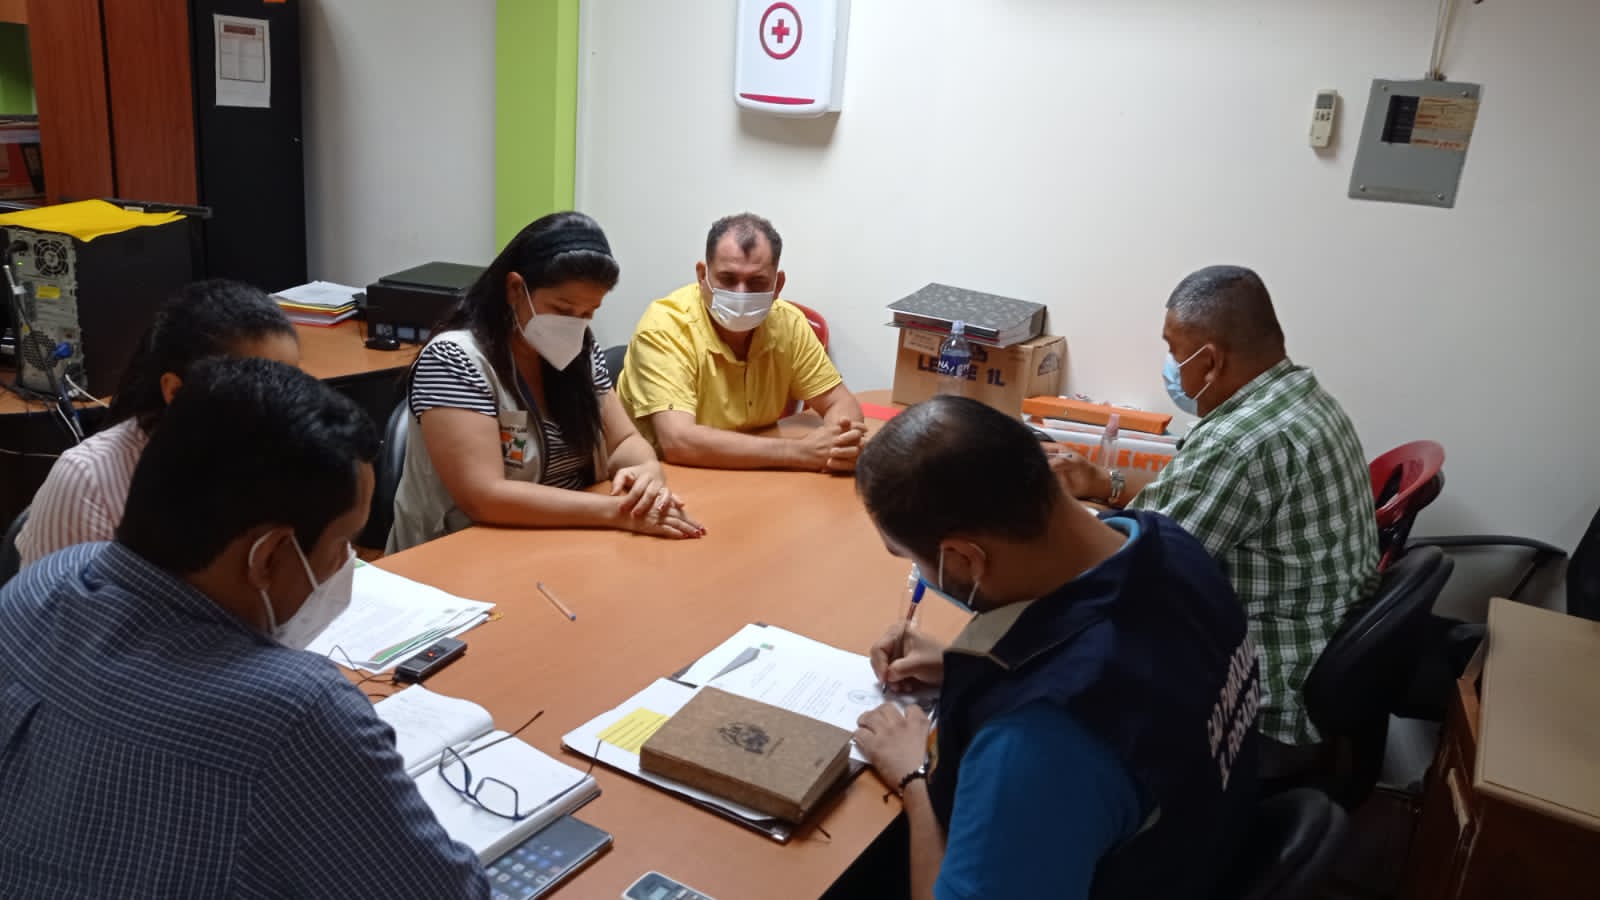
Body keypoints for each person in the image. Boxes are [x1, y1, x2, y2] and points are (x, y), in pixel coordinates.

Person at [0, 358, 487, 897]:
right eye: (343, 544)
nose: (347, 563)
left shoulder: (41, 583)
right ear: (268, 556)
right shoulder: (294, 715)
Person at [850, 395, 1261, 900]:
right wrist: (972, 668)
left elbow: (1060, 730)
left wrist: (915, 776)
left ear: (964, 559)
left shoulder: (1035, 740)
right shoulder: (1172, 546)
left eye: (911, 557)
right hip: (1206, 841)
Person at [1051, 265, 1378, 772]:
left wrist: (1043, 512)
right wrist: (1103, 483)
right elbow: (1188, 506)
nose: (1170, 365)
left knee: (1060, 685)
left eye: (1173, 350)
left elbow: (1127, 572)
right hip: (1310, 655)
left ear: (1210, 360)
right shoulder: (1300, 398)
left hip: (1258, 703)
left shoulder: (1238, 444)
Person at [387, 211, 702, 553]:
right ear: (515, 289)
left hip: (565, 540)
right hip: (461, 554)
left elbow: (625, 440)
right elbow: (484, 496)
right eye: (563, 309)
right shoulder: (454, 359)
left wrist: (647, 472)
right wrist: (618, 512)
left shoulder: (579, 350)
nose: (576, 324)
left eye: (588, 313)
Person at [16, 279, 300, 567]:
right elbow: (57, 597)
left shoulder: (284, 463)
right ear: (176, 392)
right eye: (256, 392)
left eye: (290, 385)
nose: (280, 411)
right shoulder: (89, 483)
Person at [615, 212, 866, 472]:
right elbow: (678, 441)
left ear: (778, 284)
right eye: (728, 279)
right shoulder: (664, 327)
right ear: (702, 275)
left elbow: (841, 403)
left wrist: (839, 445)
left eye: (757, 282)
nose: (741, 294)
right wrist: (799, 452)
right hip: (659, 477)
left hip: (750, 472)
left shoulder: (788, 323)